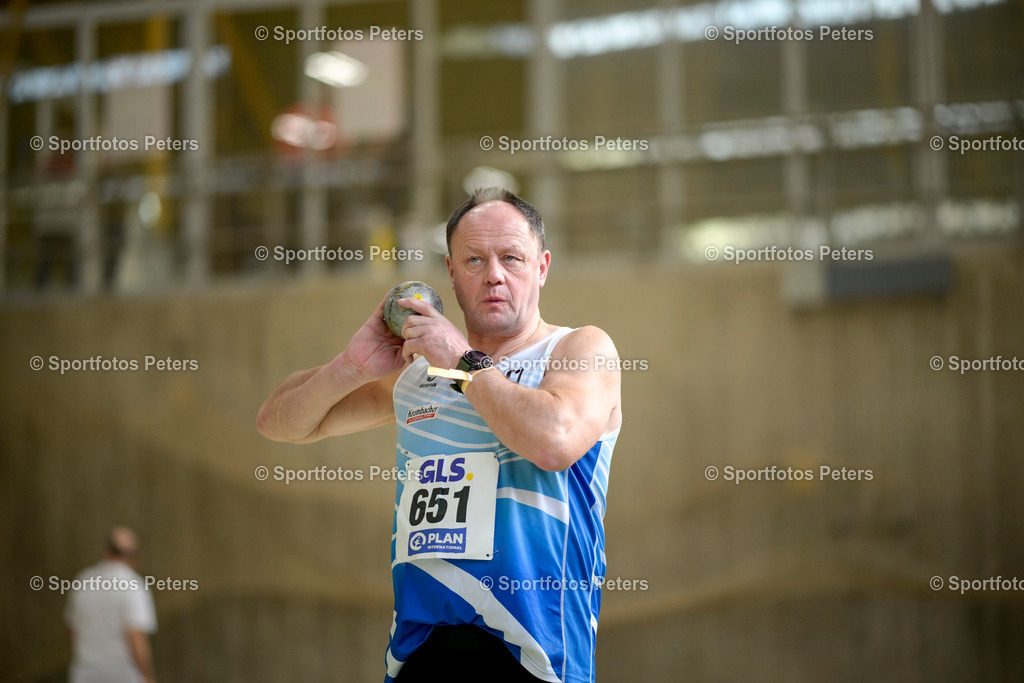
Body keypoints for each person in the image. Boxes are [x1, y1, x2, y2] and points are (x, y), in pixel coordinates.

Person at [257, 187, 622, 682]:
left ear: (542, 267)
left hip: (539, 656)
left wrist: (463, 361)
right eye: (474, 259)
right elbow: (279, 421)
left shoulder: (579, 348)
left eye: (512, 258)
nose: (494, 274)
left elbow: (553, 441)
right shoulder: (422, 372)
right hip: (422, 653)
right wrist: (350, 367)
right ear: (451, 272)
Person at [65, 526, 158, 683]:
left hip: (85, 671)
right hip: (121, 673)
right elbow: (136, 636)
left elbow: (73, 630)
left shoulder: (83, 580)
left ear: (106, 551)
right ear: (134, 557)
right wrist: (147, 676)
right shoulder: (133, 585)